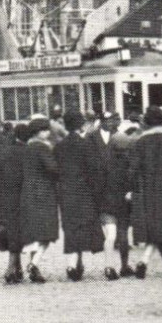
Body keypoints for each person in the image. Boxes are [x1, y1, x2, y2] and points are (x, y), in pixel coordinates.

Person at [128, 106, 162, 279]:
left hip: (146, 188)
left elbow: (133, 168)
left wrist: (132, 187)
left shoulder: (140, 141)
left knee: (156, 228)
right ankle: (144, 261)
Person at [55, 111, 106, 281]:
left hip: (66, 192)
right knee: (87, 227)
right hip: (84, 192)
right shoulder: (86, 145)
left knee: (71, 227)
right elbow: (94, 170)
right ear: (80, 125)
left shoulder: (59, 146)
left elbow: (56, 171)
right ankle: (96, 264)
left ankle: (73, 264)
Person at [90, 113, 134, 280]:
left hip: (105, 201)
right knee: (123, 234)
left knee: (111, 234)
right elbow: (131, 181)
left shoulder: (102, 162)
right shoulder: (127, 165)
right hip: (122, 201)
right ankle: (124, 265)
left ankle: (109, 266)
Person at [20, 117, 62, 283]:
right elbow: (52, 168)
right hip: (43, 191)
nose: (47, 132)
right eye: (45, 130)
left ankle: (33, 264)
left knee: (35, 230)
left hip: (28, 190)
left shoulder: (27, 147)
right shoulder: (42, 147)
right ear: (39, 132)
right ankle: (34, 262)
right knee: (47, 230)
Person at [0, 123, 30, 284]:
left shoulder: (5, 152)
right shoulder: (29, 153)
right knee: (19, 231)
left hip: (6, 196)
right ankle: (11, 268)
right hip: (23, 197)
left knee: (11, 229)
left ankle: (17, 267)